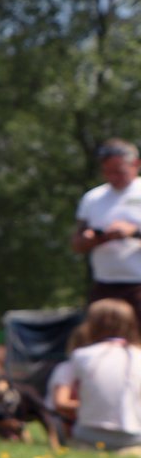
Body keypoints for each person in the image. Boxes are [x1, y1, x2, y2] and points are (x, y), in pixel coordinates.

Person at [54, 298, 141, 455]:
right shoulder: (138, 356)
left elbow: (60, 402)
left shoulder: (81, 355)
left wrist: (91, 405)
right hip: (135, 438)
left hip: (89, 437)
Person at [70, 138, 141, 324]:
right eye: (107, 172)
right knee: (99, 347)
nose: (113, 178)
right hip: (104, 286)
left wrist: (132, 233)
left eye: (119, 171)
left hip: (138, 285)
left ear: (136, 164)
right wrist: (91, 238)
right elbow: (76, 243)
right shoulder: (93, 198)